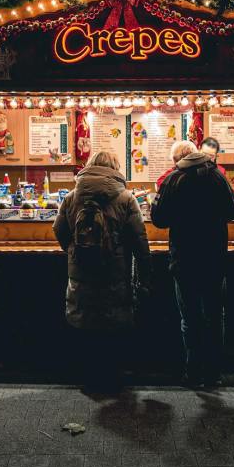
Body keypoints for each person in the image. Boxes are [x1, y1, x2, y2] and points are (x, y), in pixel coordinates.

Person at [53, 150, 151, 391]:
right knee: (112, 320)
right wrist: (145, 274)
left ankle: (89, 376)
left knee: (85, 318)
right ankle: (112, 377)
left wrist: (74, 249)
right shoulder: (126, 198)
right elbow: (140, 240)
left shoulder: (72, 197)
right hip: (115, 269)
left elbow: (59, 229)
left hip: (81, 270)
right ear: (116, 168)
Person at [151, 148, 234, 388]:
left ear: (178, 159)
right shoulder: (217, 176)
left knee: (190, 318)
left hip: (184, 258)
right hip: (214, 257)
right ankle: (213, 374)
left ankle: (192, 372)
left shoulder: (173, 178)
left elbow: (157, 218)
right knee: (214, 316)